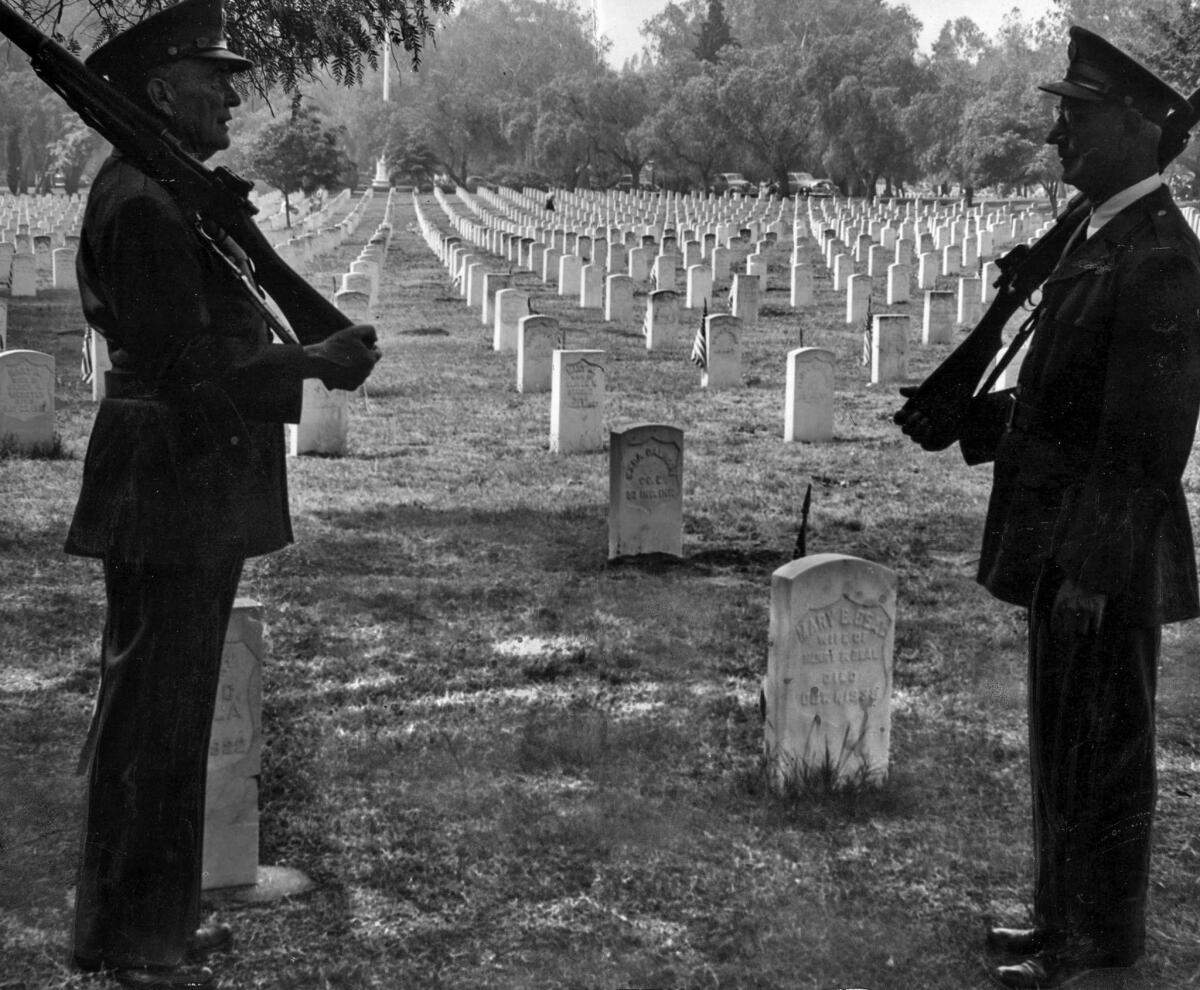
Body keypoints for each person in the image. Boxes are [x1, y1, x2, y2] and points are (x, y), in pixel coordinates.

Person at [64, 1, 381, 987]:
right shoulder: (143, 207)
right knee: (150, 725)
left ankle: (157, 924)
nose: (233, 92)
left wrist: (301, 351)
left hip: (182, 488)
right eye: (215, 76)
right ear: (161, 93)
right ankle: (132, 942)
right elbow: (189, 379)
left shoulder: (165, 194)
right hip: (169, 490)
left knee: (172, 719)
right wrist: (312, 360)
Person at [899, 26, 1200, 989]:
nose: (1057, 133)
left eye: (1075, 116)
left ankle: (1101, 944)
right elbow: (1068, 394)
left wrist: (1095, 571)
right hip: (1061, 540)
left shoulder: (1160, 257)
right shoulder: (1096, 233)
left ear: (1133, 127)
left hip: (1104, 550)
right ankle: (1055, 914)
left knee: (1105, 747)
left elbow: (1146, 442)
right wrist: (977, 421)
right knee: (1060, 735)